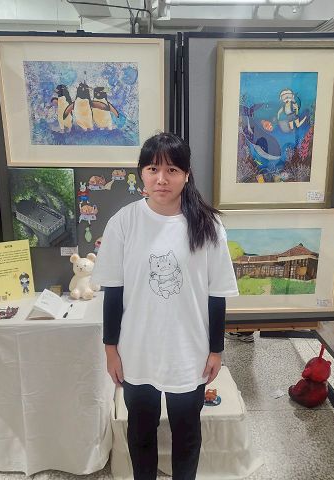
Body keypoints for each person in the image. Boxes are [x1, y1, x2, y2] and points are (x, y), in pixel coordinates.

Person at [91, 132, 239, 480]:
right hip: (137, 349)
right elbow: (113, 292)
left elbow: (216, 295)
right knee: (140, 431)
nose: (161, 178)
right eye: (153, 169)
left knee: (187, 432)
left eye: (172, 170)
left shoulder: (208, 225)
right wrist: (111, 350)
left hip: (189, 351)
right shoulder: (124, 222)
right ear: (141, 173)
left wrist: (216, 350)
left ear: (186, 174)